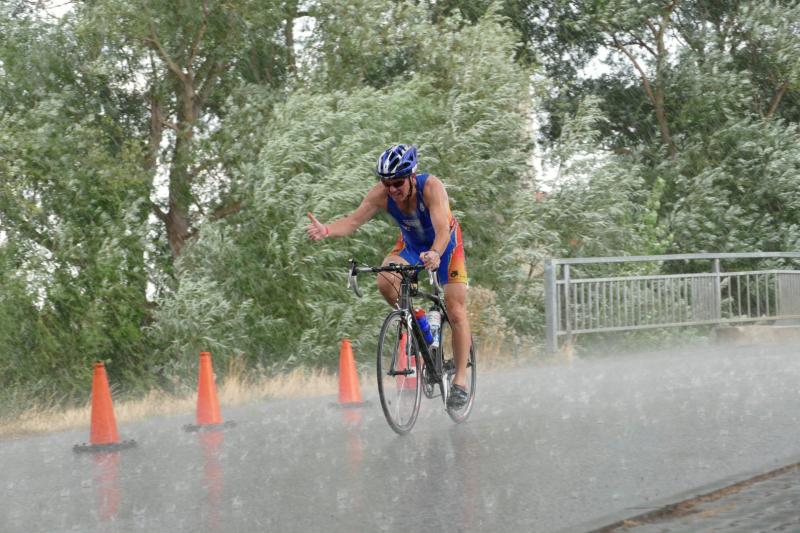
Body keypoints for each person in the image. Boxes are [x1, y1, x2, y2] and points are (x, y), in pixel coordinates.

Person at [306, 144, 472, 409]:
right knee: (385, 279)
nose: (392, 189)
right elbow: (352, 222)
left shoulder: (431, 187)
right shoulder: (381, 194)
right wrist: (327, 230)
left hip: (447, 246)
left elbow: (442, 230)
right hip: (411, 246)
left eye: (397, 183)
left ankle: (460, 381)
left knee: (455, 309)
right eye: (387, 183)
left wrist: (435, 253)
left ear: (411, 177)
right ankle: (419, 322)